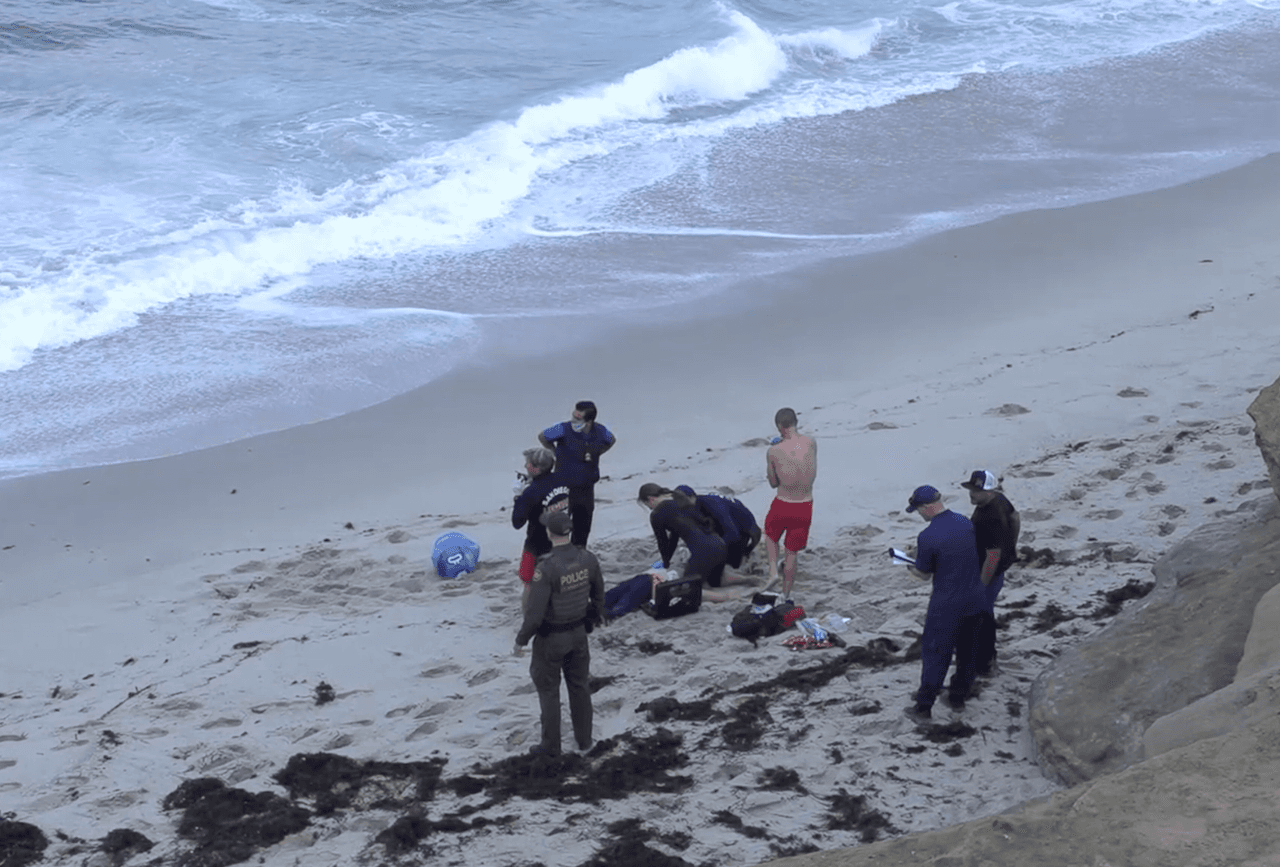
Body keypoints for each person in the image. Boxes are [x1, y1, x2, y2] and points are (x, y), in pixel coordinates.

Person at [513, 509, 605, 757]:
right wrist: (590, 621)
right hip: (578, 633)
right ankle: (584, 740)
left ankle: (551, 745)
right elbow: (598, 597)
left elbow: (534, 613)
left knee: (549, 690)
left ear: (549, 533)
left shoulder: (547, 568)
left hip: (551, 638)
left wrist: (521, 640)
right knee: (579, 686)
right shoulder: (588, 559)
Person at [903, 485, 987, 721]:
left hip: (947, 604)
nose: (919, 514)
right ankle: (958, 698)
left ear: (927, 507)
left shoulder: (928, 536)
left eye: (918, 510)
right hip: (975, 597)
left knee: (935, 653)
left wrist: (911, 563)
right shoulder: (964, 523)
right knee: (968, 653)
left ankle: (923, 707)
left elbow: (923, 573)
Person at [962, 469, 1021, 676]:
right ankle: (985, 659)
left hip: (989, 572)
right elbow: (1015, 517)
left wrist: (981, 584)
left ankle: (986, 663)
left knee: (982, 616)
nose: (972, 494)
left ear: (989, 491)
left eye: (976, 491)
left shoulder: (991, 516)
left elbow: (993, 555)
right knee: (983, 614)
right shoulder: (999, 499)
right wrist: (1012, 546)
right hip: (996, 568)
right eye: (971, 489)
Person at [637, 483, 736, 602]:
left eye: (648, 506)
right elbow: (674, 538)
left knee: (687, 589)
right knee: (715, 580)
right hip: (720, 544)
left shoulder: (656, 514)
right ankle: (750, 579)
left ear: (650, 499)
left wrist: (665, 564)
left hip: (704, 551)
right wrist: (667, 562)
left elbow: (663, 542)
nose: (650, 508)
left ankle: (729, 597)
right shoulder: (679, 500)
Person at [539, 400, 616, 548]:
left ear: (589, 421)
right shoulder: (563, 429)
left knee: (582, 528)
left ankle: (578, 555)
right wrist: (554, 452)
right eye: (574, 415)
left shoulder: (599, 431)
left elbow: (611, 440)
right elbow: (543, 437)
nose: (574, 420)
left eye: (578, 418)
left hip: (586, 487)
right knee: (558, 524)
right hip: (563, 487)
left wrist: (598, 453)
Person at [763, 407, 817, 603]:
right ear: (796, 422)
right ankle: (785, 594)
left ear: (779, 426)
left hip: (784, 503)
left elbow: (773, 483)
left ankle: (772, 572)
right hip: (805, 504)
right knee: (792, 552)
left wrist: (774, 455)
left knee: (770, 534)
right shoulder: (811, 442)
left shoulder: (773, 452)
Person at [511, 447, 571, 586]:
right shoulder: (563, 480)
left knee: (527, 577)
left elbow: (517, 522)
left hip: (537, 544)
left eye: (528, 463)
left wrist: (519, 497)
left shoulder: (531, 492)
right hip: (562, 539)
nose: (526, 466)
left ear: (536, 468)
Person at [675, 484, 761, 577]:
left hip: (741, 532)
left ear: (692, 497)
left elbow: (733, 534)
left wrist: (748, 550)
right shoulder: (691, 506)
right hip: (725, 527)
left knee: (724, 569)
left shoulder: (713, 504)